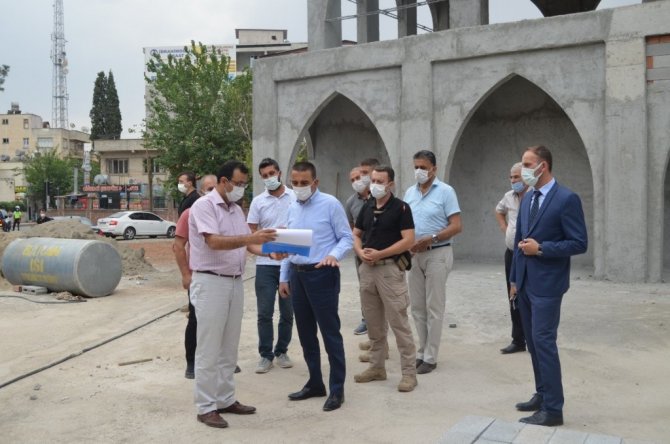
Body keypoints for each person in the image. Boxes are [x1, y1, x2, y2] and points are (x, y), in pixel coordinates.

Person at [188, 160, 277, 429]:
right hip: (210, 282)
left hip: (235, 282)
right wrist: (252, 238)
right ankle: (206, 407)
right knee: (208, 348)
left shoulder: (236, 209)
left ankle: (225, 399)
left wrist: (271, 253)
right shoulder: (203, 206)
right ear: (223, 181)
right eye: (238, 184)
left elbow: (247, 245)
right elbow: (213, 241)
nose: (241, 188)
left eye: (244, 184)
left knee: (229, 347)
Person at [510, 145, 587, 427]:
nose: (523, 169)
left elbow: (579, 243)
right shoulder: (528, 197)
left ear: (543, 166)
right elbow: (519, 240)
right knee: (533, 343)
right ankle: (542, 394)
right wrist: (514, 279)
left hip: (548, 285)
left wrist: (541, 248)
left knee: (543, 342)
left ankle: (553, 409)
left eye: (528, 164)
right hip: (526, 283)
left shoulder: (566, 199)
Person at [278, 161, 353, 412]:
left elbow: (346, 237)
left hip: (322, 274)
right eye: (295, 183)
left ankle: (337, 389)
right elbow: (289, 245)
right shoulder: (292, 207)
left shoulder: (330, 204)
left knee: (330, 333)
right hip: (297, 276)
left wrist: (334, 255)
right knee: (306, 333)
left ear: (315, 182)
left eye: (304, 183)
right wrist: (284, 277)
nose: (299, 187)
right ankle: (315, 382)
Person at [352, 165, 418, 392]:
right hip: (367, 270)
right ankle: (376, 367)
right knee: (373, 323)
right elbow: (356, 233)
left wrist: (381, 253)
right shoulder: (368, 206)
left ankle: (409, 374)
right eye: (373, 180)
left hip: (389, 270)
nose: (375, 185)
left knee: (399, 323)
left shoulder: (401, 208)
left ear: (390, 184)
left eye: (380, 181)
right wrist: (360, 252)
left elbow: (408, 240)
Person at [404, 150, 462, 375]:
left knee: (434, 306)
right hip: (414, 255)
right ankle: (421, 351)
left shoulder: (446, 191)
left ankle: (431, 356)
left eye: (423, 167)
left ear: (434, 169)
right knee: (417, 307)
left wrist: (433, 238)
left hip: (438, 252)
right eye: (416, 167)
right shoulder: (410, 193)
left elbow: (456, 225)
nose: (419, 171)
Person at [247, 158, 296, 374]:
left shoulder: (294, 197)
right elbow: (250, 236)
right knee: (265, 312)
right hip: (265, 265)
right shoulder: (258, 202)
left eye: (272, 173)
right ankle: (265, 355)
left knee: (288, 312)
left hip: (290, 264)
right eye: (265, 175)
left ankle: (282, 351)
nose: (269, 178)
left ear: (280, 173)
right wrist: (268, 251)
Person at [173, 174, 218, 379]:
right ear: (201, 191)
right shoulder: (190, 214)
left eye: (215, 188)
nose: (212, 193)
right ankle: (191, 361)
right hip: (198, 276)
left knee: (221, 321)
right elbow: (178, 246)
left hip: (223, 277)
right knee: (196, 319)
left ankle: (221, 359)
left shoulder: (227, 213)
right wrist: (185, 274)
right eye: (208, 189)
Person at [495, 162, 528, 354]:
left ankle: (534, 338)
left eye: (517, 177)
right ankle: (518, 340)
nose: (514, 180)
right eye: (511, 177)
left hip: (529, 255)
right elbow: (499, 210)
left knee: (530, 296)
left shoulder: (534, 196)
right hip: (512, 254)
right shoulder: (509, 196)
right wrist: (504, 226)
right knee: (513, 295)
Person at [345, 159, 379, 336]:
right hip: (362, 251)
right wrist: (358, 248)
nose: (356, 182)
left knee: (384, 285)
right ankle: (367, 320)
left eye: (358, 177)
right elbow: (351, 227)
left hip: (382, 251)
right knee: (365, 287)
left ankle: (383, 320)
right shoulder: (351, 202)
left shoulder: (379, 196)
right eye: (352, 180)